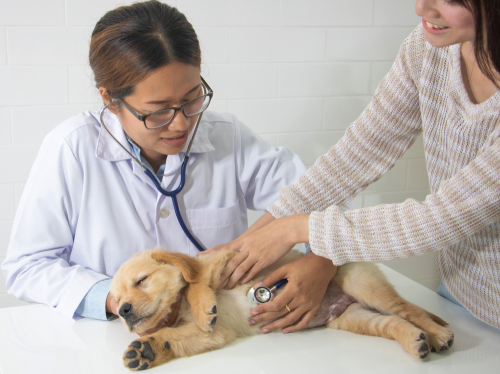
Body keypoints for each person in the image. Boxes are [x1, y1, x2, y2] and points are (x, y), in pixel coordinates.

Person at [1, 0, 306, 321]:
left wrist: (320, 263)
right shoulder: (71, 148)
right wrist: (125, 300)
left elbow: (321, 199)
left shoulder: (226, 136)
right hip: (114, 344)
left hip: (224, 334)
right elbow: (28, 267)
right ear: (110, 99)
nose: (180, 124)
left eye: (192, 99)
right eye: (158, 110)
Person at [214, 0, 500, 332]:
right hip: (458, 293)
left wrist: (295, 229)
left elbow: (438, 220)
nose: (422, 8)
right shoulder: (428, 49)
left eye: (450, 0)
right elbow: (356, 155)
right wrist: (242, 248)